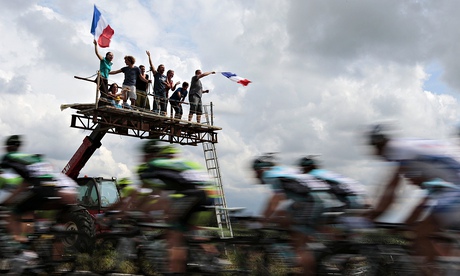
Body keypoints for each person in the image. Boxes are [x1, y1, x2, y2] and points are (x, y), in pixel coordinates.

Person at [366, 124, 460, 271]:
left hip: (454, 189)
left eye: (374, 148)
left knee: (419, 234)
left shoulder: (395, 149)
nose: (374, 153)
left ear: (379, 144)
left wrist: (373, 216)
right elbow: (426, 199)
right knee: (421, 231)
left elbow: (391, 191)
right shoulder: (409, 151)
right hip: (451, 188)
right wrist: (407, 223)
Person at [252, 154, 342, 275]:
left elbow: (276, 199)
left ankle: (307, 269)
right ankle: (320, 245)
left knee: (299, 245)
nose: (255, 176)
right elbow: (284, 203)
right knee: (284, 217)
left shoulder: (270, 174)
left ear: (260, 169)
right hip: (319, 199)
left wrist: (262, 220)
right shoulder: (282, 171)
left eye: (255, 172)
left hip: (311, 201)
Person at [139, 143, 218, 274]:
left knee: (174, 233)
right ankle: (213, 257)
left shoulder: (152, 167)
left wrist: (142, 211)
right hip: (210, 192)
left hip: (195, 193)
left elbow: (161, 199)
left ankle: (175, 271)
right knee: (189, 229)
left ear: (147, 156)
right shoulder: (176, 164)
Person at [1, 135, 78, 244]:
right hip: (64, 191)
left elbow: (24, 184)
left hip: (43, 189)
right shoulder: (35, 158)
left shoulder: (9, 158)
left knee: (14, 213)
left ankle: (20, 245)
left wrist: (7, 201)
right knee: (56, 230)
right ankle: (55, 258)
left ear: (8, 147)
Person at [298, 155, 369, 209]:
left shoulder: (313, 176)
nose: (302, 172)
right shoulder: (325, 174)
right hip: (357, 200)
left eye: (303, 169)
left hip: (345, 202)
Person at [146, 51, 167, 115]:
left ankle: (163, 112)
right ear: (159, 68)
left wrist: (166, 84)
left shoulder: (165, 76)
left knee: (163, 102)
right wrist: (149, 56)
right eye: (162, 68)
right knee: (156, 101)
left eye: (164, 68)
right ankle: (155, 110)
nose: (163, 69)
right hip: (157, 91)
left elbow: (168, 85)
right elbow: (152, 66)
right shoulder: (156, 74)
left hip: (163, 91)